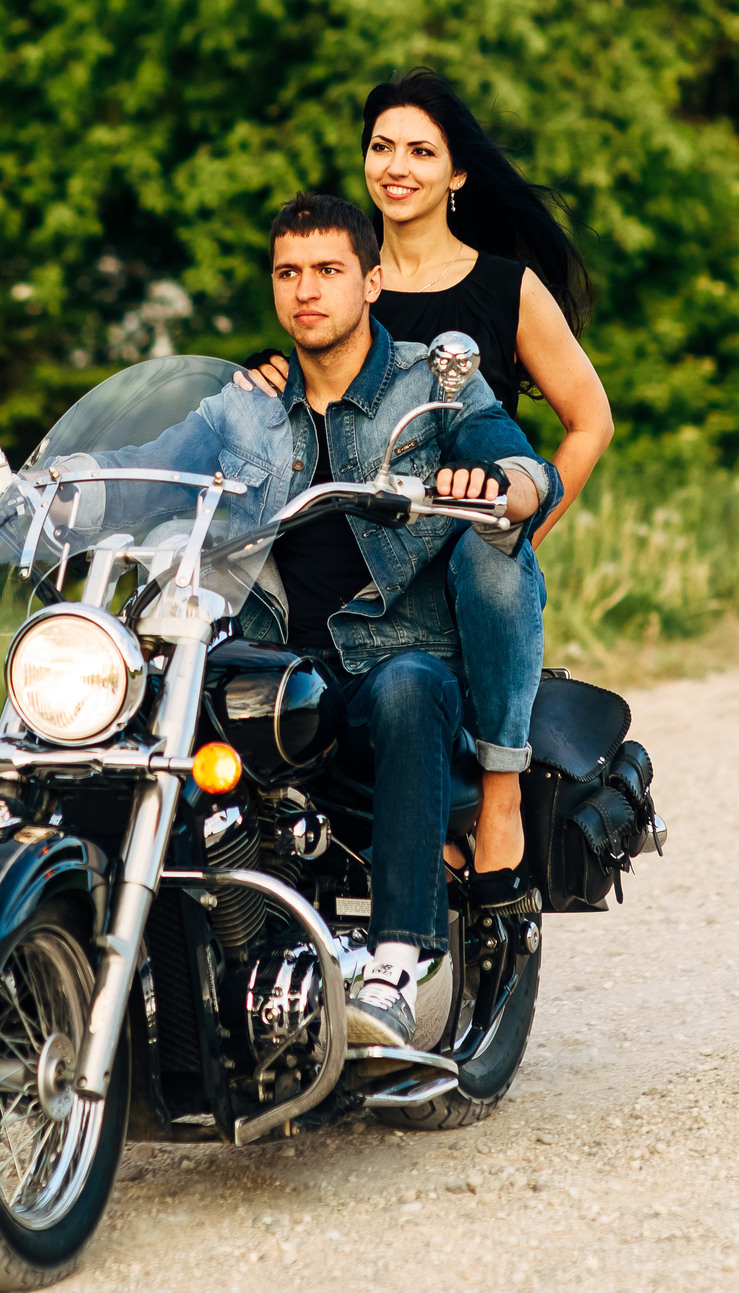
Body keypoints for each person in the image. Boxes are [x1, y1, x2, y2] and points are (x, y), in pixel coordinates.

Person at [0, 193, 561, 1049]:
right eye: (289, 272)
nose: (306, 291)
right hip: (275, 670)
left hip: (390, 674)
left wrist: (503, 486)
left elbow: (513, 456)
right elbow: (150, 467)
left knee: (410, 685)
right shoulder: (245, 404)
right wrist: (52, 487)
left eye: (328, 271)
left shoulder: (427, 386)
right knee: (130, 699)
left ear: (371, 281)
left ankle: (398, 962)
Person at [245, 71, 614, 899]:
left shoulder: (502, 284)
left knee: (485, 551)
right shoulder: (333, 279)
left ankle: (500, 795)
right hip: (347, 555)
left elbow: (589, 421)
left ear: (457, 174)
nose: (396, 166)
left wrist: (517, 530)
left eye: (421, 150)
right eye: (381, 147)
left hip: (458, 536)